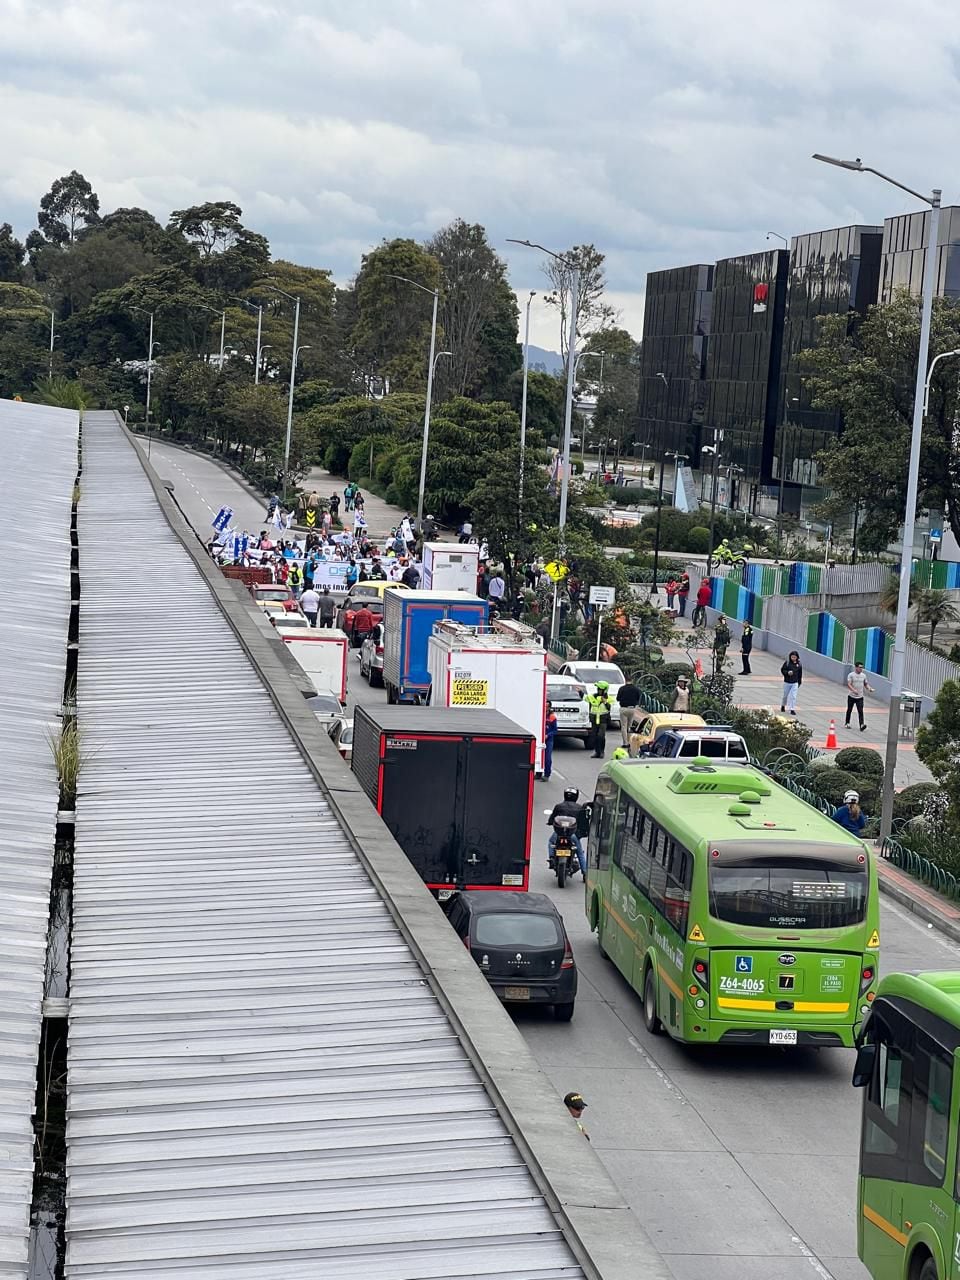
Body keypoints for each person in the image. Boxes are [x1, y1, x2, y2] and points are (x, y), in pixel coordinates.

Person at [547, 788, 586, 876]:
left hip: (559, 833)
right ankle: (585, 872)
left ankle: (552, 858)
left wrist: (549, 822)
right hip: (573, 835)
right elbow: (583, 822)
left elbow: (551, 819)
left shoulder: (559, 806)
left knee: (551, 841)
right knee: (579, 852)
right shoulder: (579, 808)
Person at [586, 681, 614, 759]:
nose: (598, 690)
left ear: (604, 690)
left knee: (601, 736)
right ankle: (596, 752)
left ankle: (602, 752)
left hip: (603, 719)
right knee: (594, 736)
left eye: (600, 689)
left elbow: (609, 708)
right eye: (598, 689)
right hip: (594, 719)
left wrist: (605, 702)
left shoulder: (608, 698)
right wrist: (580, 692)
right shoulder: (593, 696)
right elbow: (586, 698)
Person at [845, 661, 873, 732]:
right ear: (856, 667)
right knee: (849, 710)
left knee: (860, 711)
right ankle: (847, 723)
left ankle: (861, 725)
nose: (861, 669)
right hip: (851, 696)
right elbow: (849, 684)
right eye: (860, 667)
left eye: (862, 667)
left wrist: (869, 688)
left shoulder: (863, 676)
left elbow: (866, 684)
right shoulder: (851, 675)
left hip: (860, 697)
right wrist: (853, 690)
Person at [616, 678, 641, 747]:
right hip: (632, 709)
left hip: (624, 708)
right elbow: (638, 698)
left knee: (624, 726)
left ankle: (625, 743)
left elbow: (618, 698)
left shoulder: (622, 688)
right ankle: (630, 741)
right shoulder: (636, 689)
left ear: (625, 681)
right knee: (629, 726)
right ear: (632, 681)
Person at [780, 651, 803, 715]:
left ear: (797, 657)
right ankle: (783, 705)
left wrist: (799, 682)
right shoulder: (787, 663)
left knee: (793, 696)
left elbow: (800, 674)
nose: (793, 658)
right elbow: (782, 670)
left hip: (795, 682)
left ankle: (792, 709)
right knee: (785, 695)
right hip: (787, 682)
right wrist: (787, 673)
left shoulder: (799, 665)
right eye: (792, 657)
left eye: (795, 657)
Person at [543, 709, 558, 780]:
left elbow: (555, 730)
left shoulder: (552, 717)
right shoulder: (540, 715)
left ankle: (547, 775)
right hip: (540, 739)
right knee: (539, 757)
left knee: (547, 758)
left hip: (549, 740)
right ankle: (538, 773)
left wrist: (548, 735)